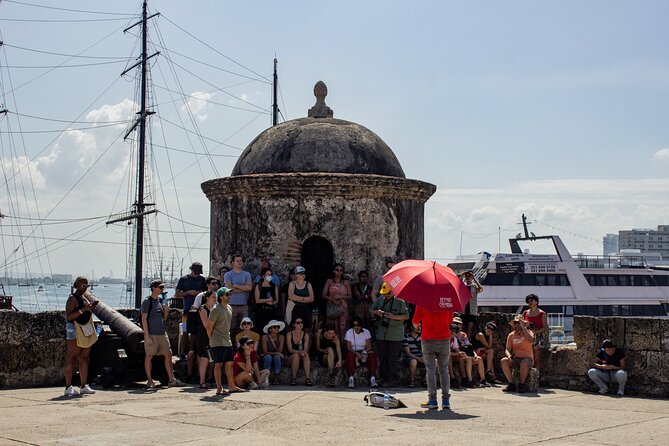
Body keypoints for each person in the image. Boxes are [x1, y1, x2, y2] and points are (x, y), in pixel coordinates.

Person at [141, 279, 183, 388]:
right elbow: (144, 319)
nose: (162, 290)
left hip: (161, 332)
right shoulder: (147, 302)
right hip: (152, 334)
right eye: (160, 287)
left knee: (168, 354)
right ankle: (149, 380)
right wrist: (147, 335)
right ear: (154, 288)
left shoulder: (160, 301)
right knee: (149, 356)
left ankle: (171, 379)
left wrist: (166, 310)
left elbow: (164, 318)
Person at [413, 303, 454, 410]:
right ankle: (446, 400)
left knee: (430, 370)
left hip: (428, 339)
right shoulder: (448, 301)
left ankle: (432, 400)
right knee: (444, 370)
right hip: (444, 339)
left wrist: (417, 325)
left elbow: (415, 322)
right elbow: (450, 321)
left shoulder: (422, 302)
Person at [63, 276, 98, 396]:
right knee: (72, 358)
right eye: (84, 285)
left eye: (87, 286)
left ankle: (84, 385)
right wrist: (84, 310)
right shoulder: (72, 299)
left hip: (85, 328)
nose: (85, 288)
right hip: (74, 328)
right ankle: (68, 386)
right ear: (77, 285)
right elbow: (69, 316)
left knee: (84, 358)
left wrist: (90, 308)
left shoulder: (85, 298)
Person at [370, 282, 409, 387]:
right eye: (384, 293)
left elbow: (406, 316)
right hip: (381, 333)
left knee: (392, 358)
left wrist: (394, 317)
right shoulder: (380, 300)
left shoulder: (400, 302)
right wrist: (376, 312)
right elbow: (371, 310)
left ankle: (393, 379)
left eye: (388, 293)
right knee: (383, 357)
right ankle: (384, 378)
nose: (386, 295)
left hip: (395, 335)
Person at [207, 287, 243, 394]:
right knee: (218, 364)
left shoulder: (229, 308)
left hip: (227, 340)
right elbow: (209, 327)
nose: (229, 296)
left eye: (229, 294)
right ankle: (219, 387)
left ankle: (231, 386)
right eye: (227, 294)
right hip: (217, 340)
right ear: (221, 296)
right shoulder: (216, 309)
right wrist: (211, 340)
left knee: (229, 363)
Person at [174, 262, 207, 377]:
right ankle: (183, 351)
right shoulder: (184, 279)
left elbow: (206, 293)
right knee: (185, 331)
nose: (197, 274)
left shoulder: (202, 280)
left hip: (198, 310)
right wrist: (188, 293)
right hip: (187, 310)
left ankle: (193, 348)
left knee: (194, 332)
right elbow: (177, 294)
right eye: (195, 272)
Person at [501, 315, 535, 393]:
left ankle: (521, 384)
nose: (517, 324)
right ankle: (511, 384)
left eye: (519, 323)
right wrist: (509, 356)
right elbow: (507, 349)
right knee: (504, 361)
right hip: (516, 358)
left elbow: (531, 340)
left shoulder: (529, 332)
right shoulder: (511, 335)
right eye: (516, 323)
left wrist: (524, 328)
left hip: (527, 358)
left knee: (524, 363)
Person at [223, 254, 253, 339]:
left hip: (243, 305)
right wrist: (243, 288)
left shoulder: (247, 274)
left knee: (245, 328)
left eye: (241, 261)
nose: (240, 262)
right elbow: (229, 288)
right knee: (231, 329)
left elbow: (249, 288)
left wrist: (236, 285)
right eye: (237, 261)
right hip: (231, 305)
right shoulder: (228, 275)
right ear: (233, 262)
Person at [344, 317, 378, 388]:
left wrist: (364, 352)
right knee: (349, 356)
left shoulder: (366, 332)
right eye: (354, 325)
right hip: (353, 351)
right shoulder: (349, 332)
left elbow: (369, 346)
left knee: (372, 355)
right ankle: (351, 378)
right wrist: (356, 353)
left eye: (358, 325)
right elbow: (348, 347)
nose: (356, 327)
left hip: (364, 351)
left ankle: (372, 378)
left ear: (361, 325)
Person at [322, 263, 351, 339]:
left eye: (341, 270)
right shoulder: (329, 281)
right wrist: (332, 299)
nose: (339, 272)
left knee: (342, 326)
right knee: (332, 325)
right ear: (333, 271)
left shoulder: (346, 283)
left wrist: (341, 297)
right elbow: (323, 295)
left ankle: (342, 345)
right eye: (337, 270)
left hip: (343, 307)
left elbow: (350, 296)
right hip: (332, 306)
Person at [522, 294, 548, 370]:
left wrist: (535, 332)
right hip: (527, 336)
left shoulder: (542, 313)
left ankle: (535, 378)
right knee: (527, 358)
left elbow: (544, 328)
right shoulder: (525, 313)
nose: (530, 302)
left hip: (538, 337)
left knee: (537, 359)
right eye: (528, 301)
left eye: (531, 300)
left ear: (536, 301)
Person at [196, 290, 216, 388]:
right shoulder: (202, 309)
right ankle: (202, 381)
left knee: (209, 359)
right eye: (213, 296)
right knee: (204, 357)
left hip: (211, 334)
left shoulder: (213, 308)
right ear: (207, 297)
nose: (215, 298)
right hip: (204, 335)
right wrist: (210, 338)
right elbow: (206, 325)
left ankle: (207, 379)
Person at [286, 318, 313, 386]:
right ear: (294, 325)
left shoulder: (306, 335)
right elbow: (290, 349)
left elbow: (306, 348)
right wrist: (299, 352)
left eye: (301, 322)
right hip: (291, 357)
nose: (300, 324)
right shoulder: (289, 334)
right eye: (298, 323)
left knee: (306, 354)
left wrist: (303, 351)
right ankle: (293, 378)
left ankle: (307, 378)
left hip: (301, 356)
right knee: (295, 355)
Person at [254, 267, 280, 336]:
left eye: (270, 274)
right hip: (260, 312)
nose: (270, 276)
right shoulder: (258, 286)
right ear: (263, 276)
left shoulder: (274, 286)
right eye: (268, 275)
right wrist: (267, 300)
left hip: (272, 312)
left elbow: (277, 300)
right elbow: (257, 300)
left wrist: (272, 303)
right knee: (260, 331)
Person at [287, 266, 314, 330]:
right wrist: (305, 298)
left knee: (307, 329)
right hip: (295, 309)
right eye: (301, 273)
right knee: (294, 329)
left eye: (304, 273)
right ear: (296, 274)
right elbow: (291, 297)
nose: (303, 275)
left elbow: (312, 298)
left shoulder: (308, 284)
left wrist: (298, 299)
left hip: (306, 309)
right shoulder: (292, 284)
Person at [261, 320, 286, 385]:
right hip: (267, 355)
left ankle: (276, 378)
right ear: (270, 329)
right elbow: (265, 352)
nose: (277, 328)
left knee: (277, 357)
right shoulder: (265, 337)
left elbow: (280, 351)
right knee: (268, 357)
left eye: (278, 327)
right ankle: (266, 377)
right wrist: (277, 353)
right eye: (274, 327)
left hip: (276, 355)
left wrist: (277, 353)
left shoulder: (281, 337)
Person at [461, 270, 483, 339]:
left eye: (469, 276)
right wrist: (462, 276)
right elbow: (457, 284)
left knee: (470, 327)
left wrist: (474, 278)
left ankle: (468, 341)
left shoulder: (474, 286)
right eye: (466, 276)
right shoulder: (463, 285)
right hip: (464, 310)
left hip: (472, 310)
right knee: (462, 327)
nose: (468, 277)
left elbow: (481, 289)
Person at [402, 324, 424, 388]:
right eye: (417, 326)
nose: (419, 328)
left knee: (432, 361)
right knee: (413, 361)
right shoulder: (406, 336)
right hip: (409, 357)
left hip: (420, 356)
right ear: (412, 327)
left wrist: (423, 357)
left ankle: (425, 379)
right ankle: (412, 380)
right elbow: (407, 353)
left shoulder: (422, 336)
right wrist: (418, 358)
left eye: (420, 326)